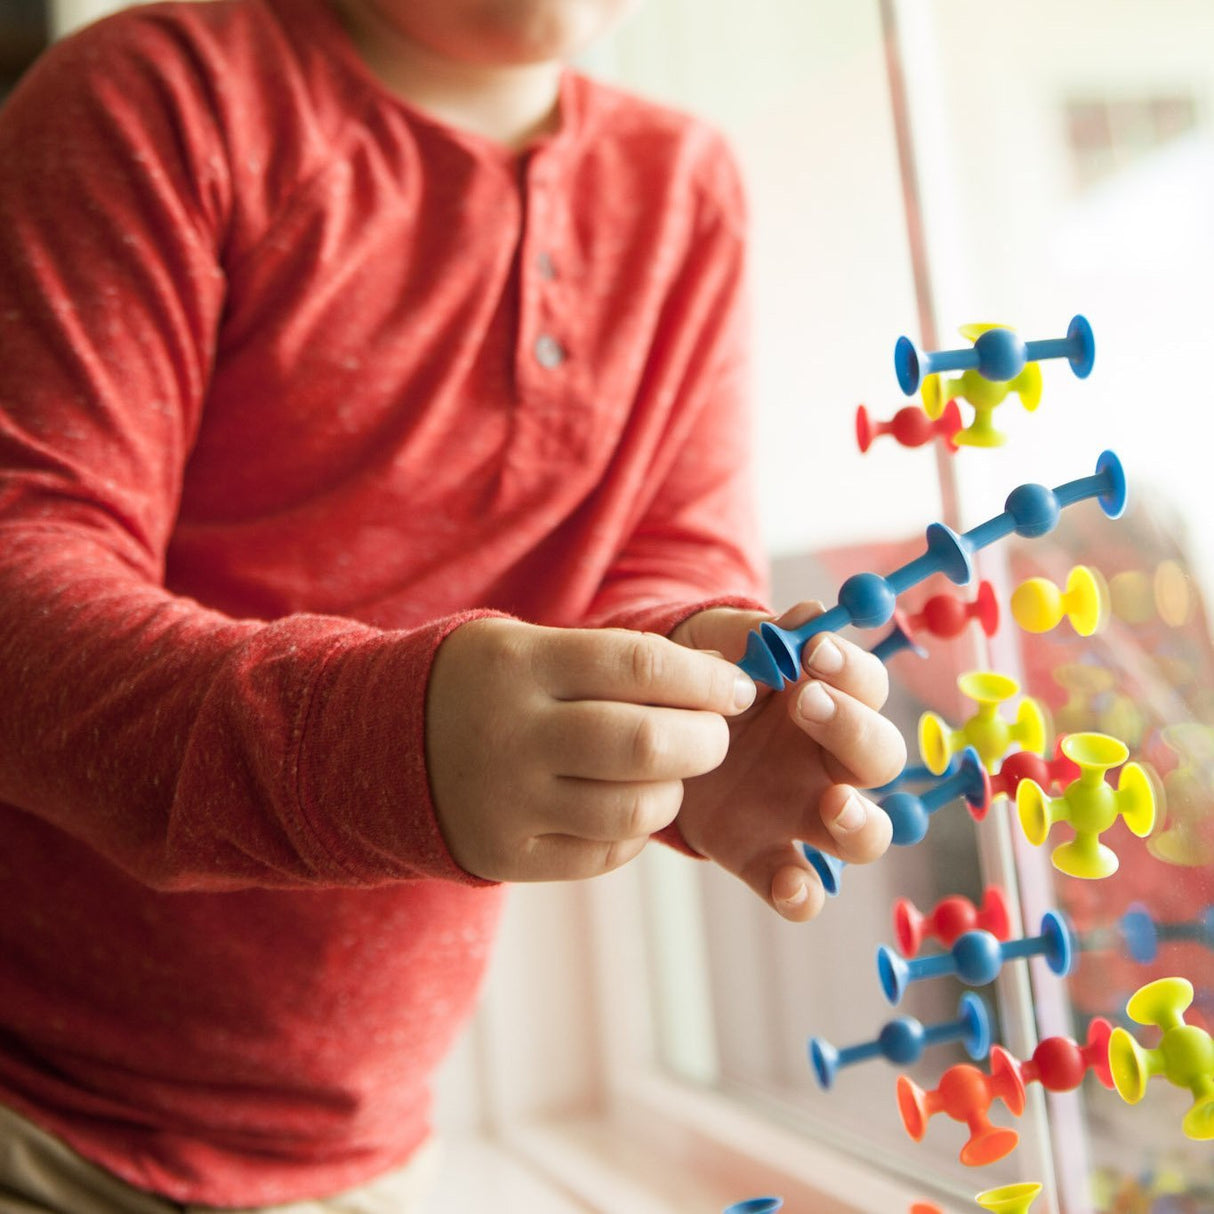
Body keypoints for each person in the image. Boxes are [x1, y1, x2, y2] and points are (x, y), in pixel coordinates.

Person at [0, 0, 905, 1209]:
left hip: (367, 1156)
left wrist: (702, 681)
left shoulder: (681, 190)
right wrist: (381, 748)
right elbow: (22, 566)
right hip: (33, 1116)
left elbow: (668, 561)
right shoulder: (154, 93)